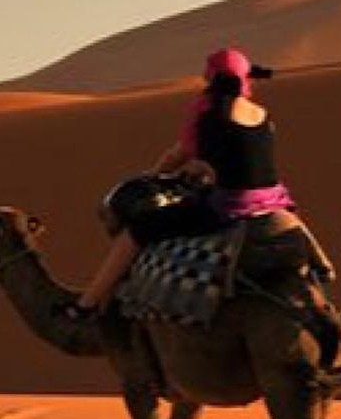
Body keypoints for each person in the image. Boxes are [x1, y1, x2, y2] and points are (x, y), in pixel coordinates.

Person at [65, 47, 319, 317]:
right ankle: (321, 267)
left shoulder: (208, 107)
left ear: (210, 77)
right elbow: (242, 158)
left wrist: (152, 176)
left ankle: (86, 305)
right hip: (275, 201)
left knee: (136, 232)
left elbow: (181, 153)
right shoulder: (262, 113)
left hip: (231, 205)